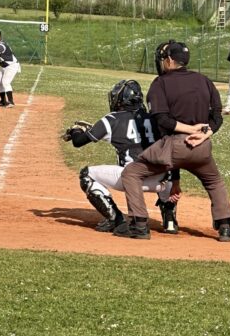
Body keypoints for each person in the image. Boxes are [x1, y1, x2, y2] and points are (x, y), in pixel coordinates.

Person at [115, 41, 230, 242]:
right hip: (201, 147)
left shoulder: (160, 83)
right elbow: (217, 115)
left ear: (170, 60)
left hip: (173, 145)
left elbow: (161, 119)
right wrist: (205, 132)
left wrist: (189, 129)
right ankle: (225, 227)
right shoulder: (204, 80)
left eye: (163, 59)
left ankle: (139, 224)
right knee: (214, 181)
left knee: (131, 173)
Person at [66, 79, 181, 233]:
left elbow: (78, 142)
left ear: (121, 99)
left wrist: (76, 130)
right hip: (161, 182)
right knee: (167, 167)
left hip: (131, 179)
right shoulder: (155, 118)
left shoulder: (112, 119)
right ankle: (170, 221)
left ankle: (115, 219)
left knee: (86, 175)